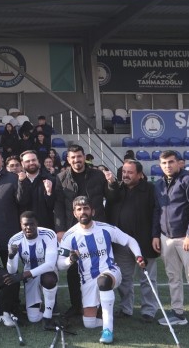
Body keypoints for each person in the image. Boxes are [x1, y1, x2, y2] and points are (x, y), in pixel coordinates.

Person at [58, 196, 147, 345]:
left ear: (92, 211)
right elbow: (60, 265)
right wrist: (70, 260)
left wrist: (138, 256)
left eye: (86, 208)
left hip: (110, 272)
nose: (83, 212)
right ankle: (105, 316)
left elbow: (130, 240)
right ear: (74, 213)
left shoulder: (106, 228)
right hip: (87, 280)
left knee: (103, 281)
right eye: (79, 209)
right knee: (89, 323)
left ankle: (108, 329)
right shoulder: (69, 236)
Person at [153, 150, 189, 331]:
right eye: (164, 163)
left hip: (186, 237)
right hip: (165, 237)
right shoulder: (159, 184)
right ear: (160, 165)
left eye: (171, 162)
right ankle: (178, 313)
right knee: (173, 277)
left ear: (179, 163)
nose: (167, 166)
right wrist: (155, 235)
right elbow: (156, 211)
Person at [103, 160, 161, 323]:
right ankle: (126, 308)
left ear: (140, 175)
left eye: (130, 172)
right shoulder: (117, 188)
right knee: (124, 278)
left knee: (148, 278)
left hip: (145, 242)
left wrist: (155, 235)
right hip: (121, 244)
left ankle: (149, 310)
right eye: (124, 172)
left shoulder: (150, 189)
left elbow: (157, 213)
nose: (126, 175)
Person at [56, 144, 107, 317]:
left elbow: (111, 198)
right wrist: (60, 229)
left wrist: (113, 184)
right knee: (73, 269)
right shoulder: (61, 177)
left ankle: (97, 306)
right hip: (73, 230)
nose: (76, 160)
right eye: (73, 157)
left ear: (84, 157)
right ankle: (76, 305)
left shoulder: (98, 175)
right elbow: (58, 205)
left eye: (79, 156)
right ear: (68, 160)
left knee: (97, 269)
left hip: (96, 229)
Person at [5, 211, 60, 330]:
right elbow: (12, 270)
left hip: (47, 272)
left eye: (32, 224)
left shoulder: (49, 234)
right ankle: (45, 305)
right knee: (33, 319)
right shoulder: (15, 240)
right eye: (25, 224)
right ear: (21, 224)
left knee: (49, 279)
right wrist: (10, 257)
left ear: (37, 224)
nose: (28, 227)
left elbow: (50, 264)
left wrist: (24, 274)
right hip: (30, 277)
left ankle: (48, 316)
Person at [19, 150, 65, 233]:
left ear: (38, 161)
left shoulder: (51, 179)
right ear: (22, 163)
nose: (31, 163)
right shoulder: (18, 181)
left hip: (46, 228)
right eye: (27, 161)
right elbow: (21, 201)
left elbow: (54, 205)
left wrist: (49, 192)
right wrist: (22, 183)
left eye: (33, 160)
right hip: (25, 229)